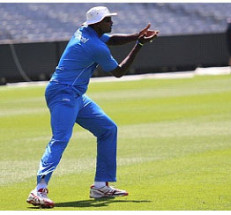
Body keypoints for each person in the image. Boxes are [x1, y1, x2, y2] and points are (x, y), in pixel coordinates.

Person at [26, 6, 159, 208]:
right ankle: (39, 190)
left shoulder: (84, 31)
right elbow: (119, 72)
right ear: (97, 24)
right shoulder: (95, 47)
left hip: (74, 94)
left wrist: (136, 35)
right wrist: (139, 44)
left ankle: (100, 185)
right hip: (63, 94)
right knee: (60, 138)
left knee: (107, 129)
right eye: (107, 20)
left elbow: (112, 39)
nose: (111, 22)